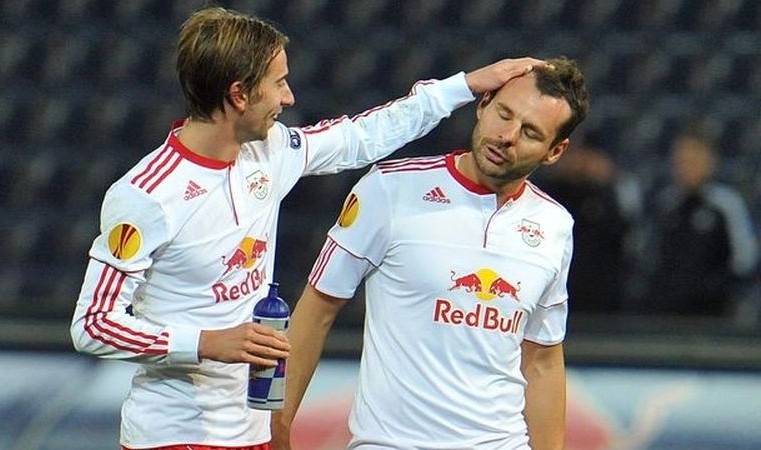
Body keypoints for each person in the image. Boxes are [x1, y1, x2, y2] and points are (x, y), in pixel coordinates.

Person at [68, 6, 548, 450]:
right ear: (239, 95)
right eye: (278, 83)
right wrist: (206, 342)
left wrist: (464, 86)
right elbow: (92, 325)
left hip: (251, 427)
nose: (289, 97)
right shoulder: (148, 195)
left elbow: (362, 136)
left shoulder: (270, 151)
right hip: (172, 433)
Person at [273, 57, 589, 450]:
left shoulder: (554, 225)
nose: (507, 136)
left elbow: (542, 359)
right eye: (504, 114)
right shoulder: (390, 189)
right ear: (483, 104)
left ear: (555, 150)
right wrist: (278, 426)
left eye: (530, 132)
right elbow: (317, 310)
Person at [639, 128, 758, 317]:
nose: (687, 167)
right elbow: (649, 255)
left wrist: (715, 289)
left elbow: (745, 260)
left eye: (694, 159)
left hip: (713, 314)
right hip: (667, 312)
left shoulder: (727, 204)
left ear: (710, 162)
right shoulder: (666, 204)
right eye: (682, 160)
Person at [539, 131, 643, 314]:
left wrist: (603, 185)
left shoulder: (613, 193)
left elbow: (625, 236)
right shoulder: (549, 194)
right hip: (555, 293)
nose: (581, 162)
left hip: (603, 298)